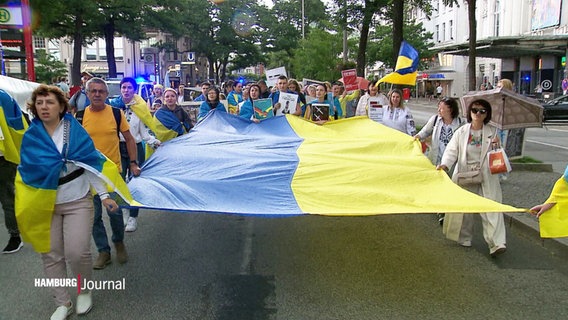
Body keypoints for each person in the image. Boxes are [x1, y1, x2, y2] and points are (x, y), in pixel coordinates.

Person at [16, 85, 120, 319]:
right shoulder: (31, 136)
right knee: (50, 253)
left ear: (61, 106)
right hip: (45, 203)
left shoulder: (75, 130)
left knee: (76, 252)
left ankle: (84, 290)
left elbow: (90, 162)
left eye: (50, 102)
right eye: (40, 103)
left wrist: (104, 195)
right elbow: (25, 172)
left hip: (77, 199)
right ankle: (63, 302)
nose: (44, 107)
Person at [436, 99, 507, 257]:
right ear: (469, 112)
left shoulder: (493, 132)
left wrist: (497, 145)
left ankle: (497, 243)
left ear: (487, 114)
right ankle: (464, 237)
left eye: (482, 111)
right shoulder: (461, 132)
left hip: (486, 175)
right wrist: (445, 165)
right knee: (464, 209)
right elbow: (451, 151)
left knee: (490, 208)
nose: (478, 114)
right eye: (475, 110)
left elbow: (499, 156)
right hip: (465, 173)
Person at [82, 77, 140, 269]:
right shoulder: (80, 116)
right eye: (93, 91)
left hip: (113, 173)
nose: (97, 94)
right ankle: (103, 251)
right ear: (88, 93)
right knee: (94, 216)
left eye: (101, 91)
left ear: (107, 95)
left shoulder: (116, 113)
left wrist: (133, 163)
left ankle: (118, 242)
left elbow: (129, 139)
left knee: (115, 213)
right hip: (88, 175)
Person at [110, 77, 160, 232]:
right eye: (124, 87)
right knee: (120, 181)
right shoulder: (112, 107)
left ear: (134, 89)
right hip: (117, 147)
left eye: (129, 87)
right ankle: (124, 207)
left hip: (135, 148)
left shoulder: (140, 107)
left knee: (135, 182)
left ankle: (133, 216)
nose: (126, 90)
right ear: (120, 89)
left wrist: (155, 142)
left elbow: (144, 132)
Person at [414, 97, 463, 224]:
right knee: (440, 185)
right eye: (439, 107)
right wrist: (417, 138)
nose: (439, 110)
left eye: (442, 108)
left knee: (451, 185)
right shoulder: (435, 120)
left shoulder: (460, 123)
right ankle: (441, 212)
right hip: (437, 158)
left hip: (453, 161)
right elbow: (425, 131)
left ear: (450, 109)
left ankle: (449, 209)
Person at [0, 89, 28, 254]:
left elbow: (18, 126)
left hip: (4, 158)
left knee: (7, 197)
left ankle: (15, 236)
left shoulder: (3, 97)